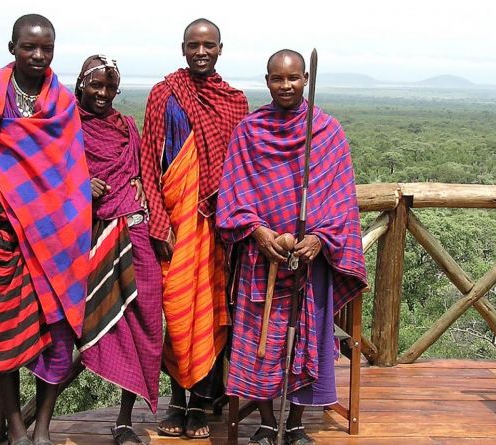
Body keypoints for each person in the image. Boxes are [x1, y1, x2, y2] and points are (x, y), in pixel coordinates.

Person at [0, 14, 91, 445]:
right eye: (30, 47)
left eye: (47, 48)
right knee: (2, 333)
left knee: (59, 336)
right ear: (12, 47)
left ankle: (42, 429)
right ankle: (15, 428)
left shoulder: (63, 103)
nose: (39, 55)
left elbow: (71, 171)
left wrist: (69, 221)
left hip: (55, 237)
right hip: (5, 233)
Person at [215, 49, 367, 445]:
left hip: (308, 260)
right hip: (261, 259)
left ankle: (295, 422)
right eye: (278, 79)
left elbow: (342, 200)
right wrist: (259, 232)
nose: (286, 86)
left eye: (294, 78)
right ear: (267, 81)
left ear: (306, 81)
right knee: (259, 342)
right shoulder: (250, 131)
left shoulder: (327, 131)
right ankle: (266, 421)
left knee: (305, 338)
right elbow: (233, 196)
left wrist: (319, 238)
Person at [140, 17, 249, 439]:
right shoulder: (164, 94)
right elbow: (149, 161)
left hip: (216, 226)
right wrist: (159, 222)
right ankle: (176, 400)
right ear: (182, 48)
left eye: (208, 45)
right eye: (193, 45)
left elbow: (241, 168)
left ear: (221, 49)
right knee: (174, 311)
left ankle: (202, 404)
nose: (200, 52)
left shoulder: (234, 102)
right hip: (173, 221)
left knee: (208, 311)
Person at [73, 55, 164, 445]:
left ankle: (125, 420)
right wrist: (80, 185)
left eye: (110, 87)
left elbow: (146, 174)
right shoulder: (65, 127)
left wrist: (142, 193)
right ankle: (35, 423)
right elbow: (48, 175)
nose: (103, 93)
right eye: (96, 85)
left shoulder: (127, 126)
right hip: (89, 239)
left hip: (136, 232)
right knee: (83, 324)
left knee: (144, 323)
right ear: (80, 84)